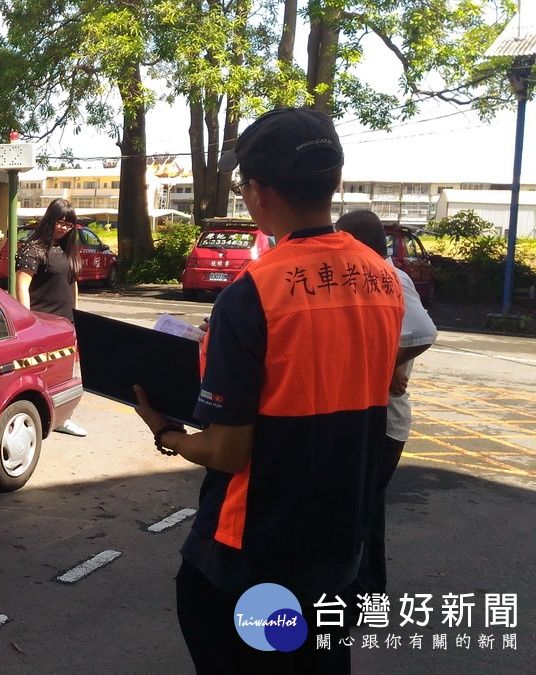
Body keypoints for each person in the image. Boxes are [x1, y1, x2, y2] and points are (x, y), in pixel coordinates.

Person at [130, 108, 404, 673]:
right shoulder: (382, 279)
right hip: (338, 545)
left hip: (253, 554)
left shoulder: (252, 293)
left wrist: (165, 431)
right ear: (333, 182)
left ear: (258, 193)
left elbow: (229, 451)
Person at [335, 209, 438, 594]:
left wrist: (381, 368)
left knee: (359, 507)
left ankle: (358, 592)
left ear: (354, 242)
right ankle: (367, 588)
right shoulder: (366, 276)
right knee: (367, 507)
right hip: (375, 415)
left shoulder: (385, 275)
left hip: (383, 418)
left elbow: (424, 332)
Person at [15, 198, 88, 437]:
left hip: (66, 323)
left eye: (68, 224)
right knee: (41, 373)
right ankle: (42, 417)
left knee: (66, 372)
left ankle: (63, 417)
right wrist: (27, 324)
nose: (63, 228)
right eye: (60, 222)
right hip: (42, 322)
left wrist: (76, 317)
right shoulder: (34, 247)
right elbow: (22, 286)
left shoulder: (68, 249)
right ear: (50, 219)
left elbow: (72, 284)